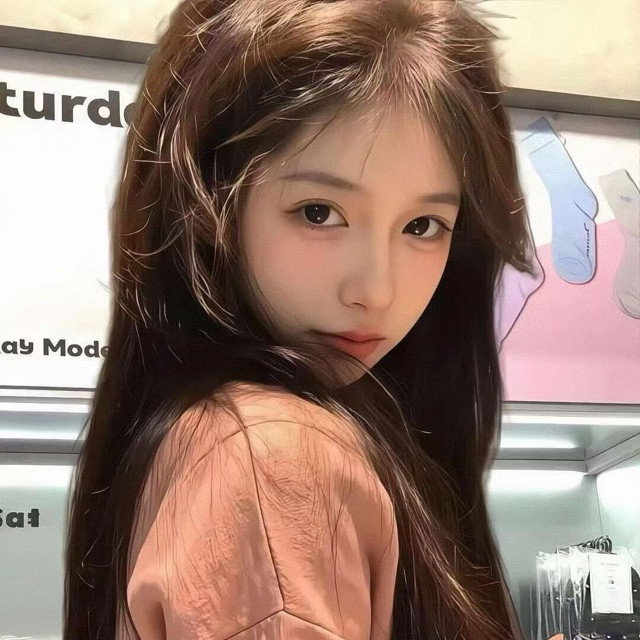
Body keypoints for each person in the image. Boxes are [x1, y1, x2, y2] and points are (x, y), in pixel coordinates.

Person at [63, 1, 538, 638]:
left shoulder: (207, 435)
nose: (376, 291)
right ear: (205, 206)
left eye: (424, 226)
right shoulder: (275, 456)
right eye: (319, 212)